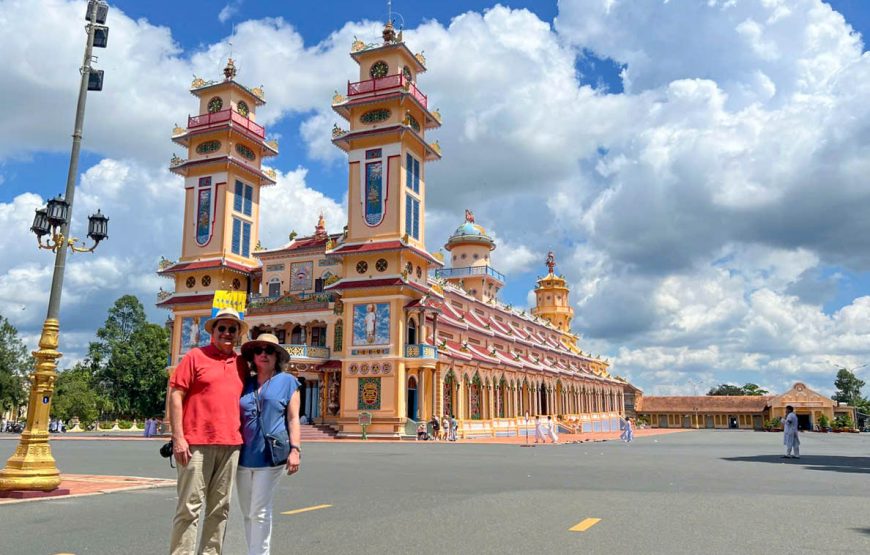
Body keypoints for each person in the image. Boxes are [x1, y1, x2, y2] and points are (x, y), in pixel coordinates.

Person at [168, 307, 248, 555]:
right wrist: (178, 438)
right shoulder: (195, 356)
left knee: (220, 509)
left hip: (231, 444)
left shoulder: (241, 364)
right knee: (189, 508)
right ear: (212, 332)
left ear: (238, 334)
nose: (227, 333)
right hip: (195, 443)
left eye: (232, 329)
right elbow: (176, 394)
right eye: (221, 328)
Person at [237, 333, 301, 555]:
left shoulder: (288, 381)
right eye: (259, 350)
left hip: (270, 455)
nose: (263, 354)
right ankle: (252, 550)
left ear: (277, 356)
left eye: (269, 351)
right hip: (242, 455)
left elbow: (293, 418)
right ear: (253, 356)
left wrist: (295, 449)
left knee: (260, 510)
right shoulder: (244, 383)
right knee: (247, 512)